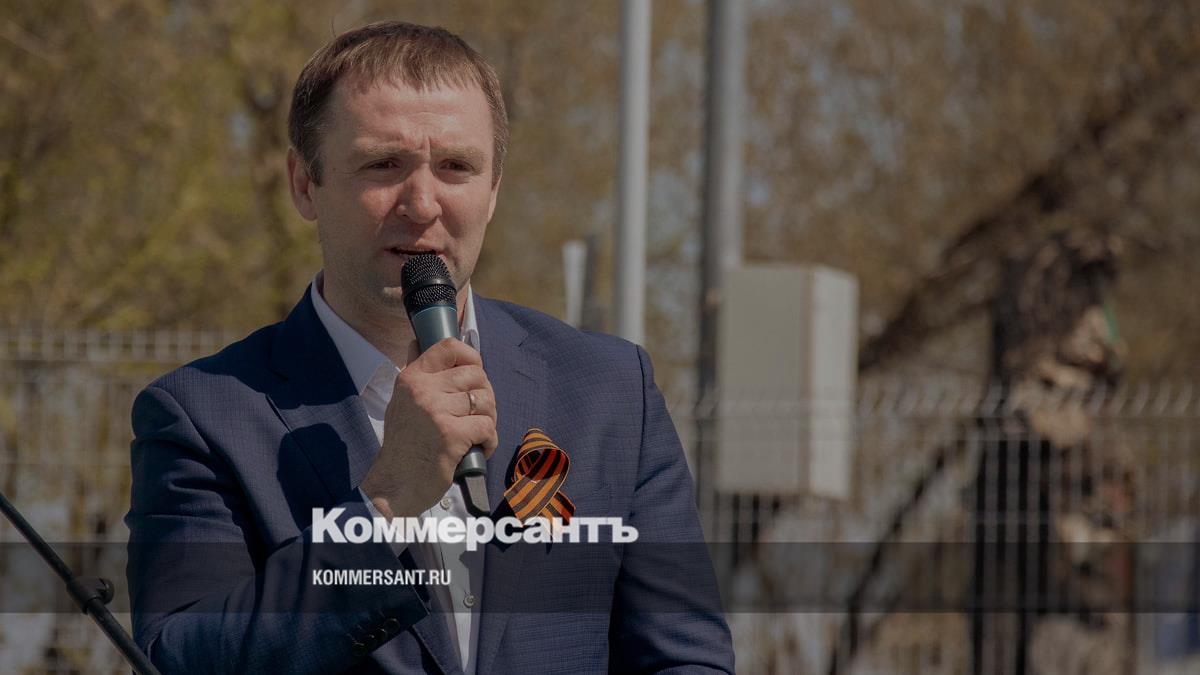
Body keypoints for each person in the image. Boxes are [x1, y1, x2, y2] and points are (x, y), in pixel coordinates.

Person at [125, 20, 734, 675]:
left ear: (493, 189)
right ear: (304, 183)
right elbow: (179, 659)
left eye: (456, 167)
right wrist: (384, 505)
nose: (422, 203)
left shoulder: (610, 392)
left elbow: (685, 659)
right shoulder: (204, 416)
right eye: (383, 164)